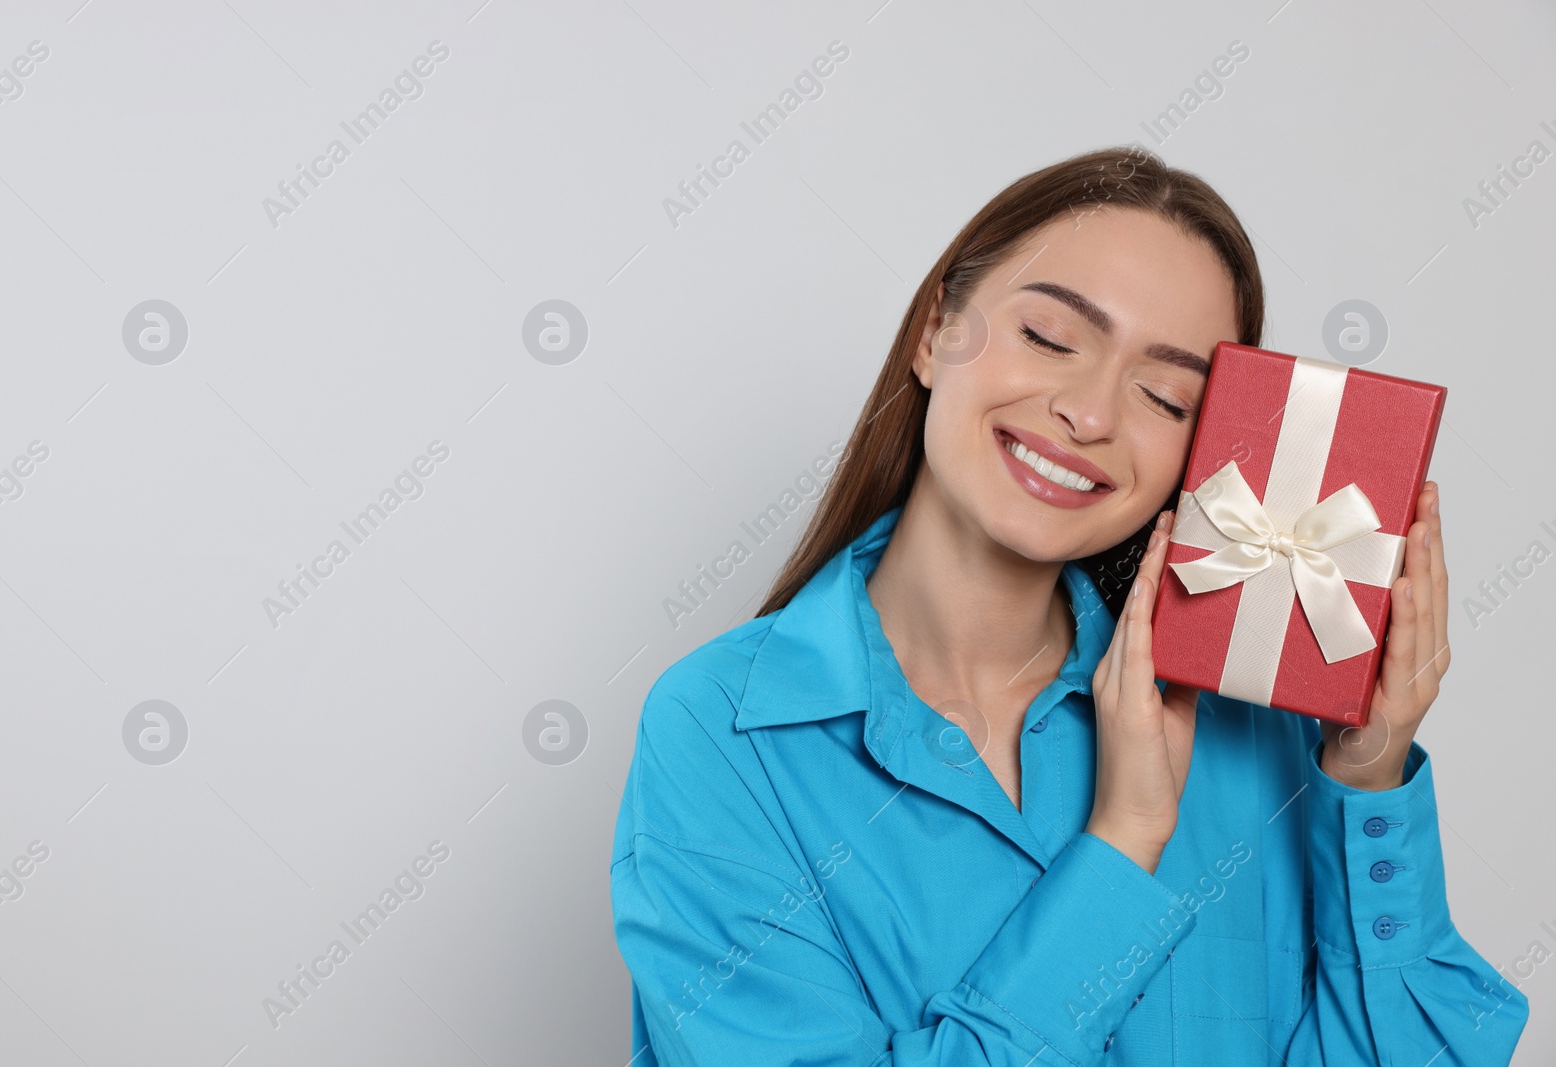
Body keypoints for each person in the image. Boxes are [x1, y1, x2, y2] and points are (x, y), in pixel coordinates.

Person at [609, 146, 1528, 1065]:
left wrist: (1368, 775)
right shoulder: (722, 734)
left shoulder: (1249, 726)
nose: (1090, 412)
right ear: (936, 332)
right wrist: (1123, 844)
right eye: (1049, 338)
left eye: (1167, 397)